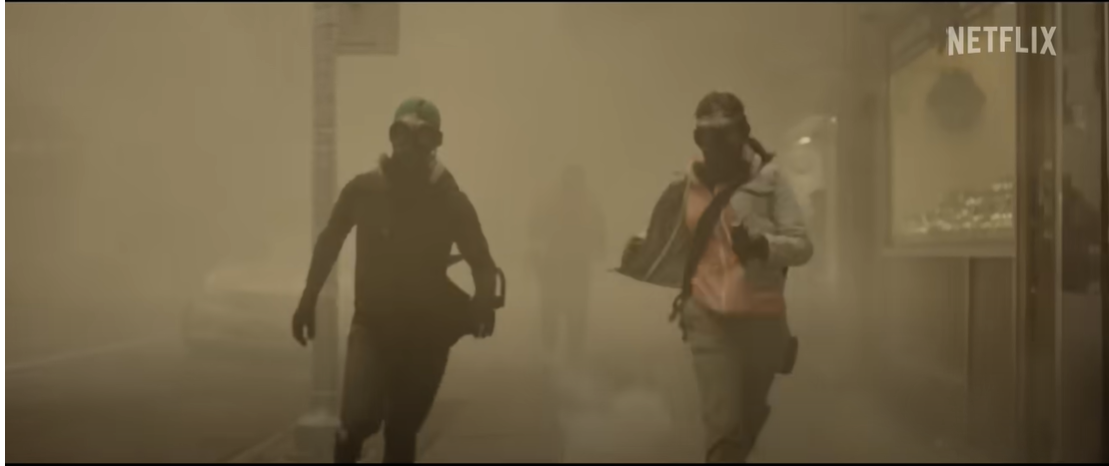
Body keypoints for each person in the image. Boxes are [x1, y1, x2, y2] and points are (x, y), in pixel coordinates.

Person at [291, 97, 500, 464]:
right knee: (355, 421)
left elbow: (480, 260)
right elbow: (330, 240)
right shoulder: (364, 191)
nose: (408, 149)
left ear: (435, 142)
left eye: (421, 138)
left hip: (427, 333)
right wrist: (308, 298)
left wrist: (484, 299)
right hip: (372, 325)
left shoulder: (449, 199)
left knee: (402, 430)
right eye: (402, 135)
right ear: (392, 137)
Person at [617, 91, 812, 463]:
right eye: (708, 135)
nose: (717, 144)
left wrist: (763, 246)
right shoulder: (685, 186)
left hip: (762, 318)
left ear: (743, 132)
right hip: (707, 318)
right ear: (698, 139)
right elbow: (668, 233)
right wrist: (640, 245)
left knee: (746, 423)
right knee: (722, 429)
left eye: (726, 133)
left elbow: (802, 245)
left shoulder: (770, 180)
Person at [528, 164, 606, 362]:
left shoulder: (569, 203)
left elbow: (535, 229)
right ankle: (561, 353)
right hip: (563, 263)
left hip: (568, 263)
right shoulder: (582, 203)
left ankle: (561, 353)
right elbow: (535, 229)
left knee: (567, 309)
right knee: (560, 309)